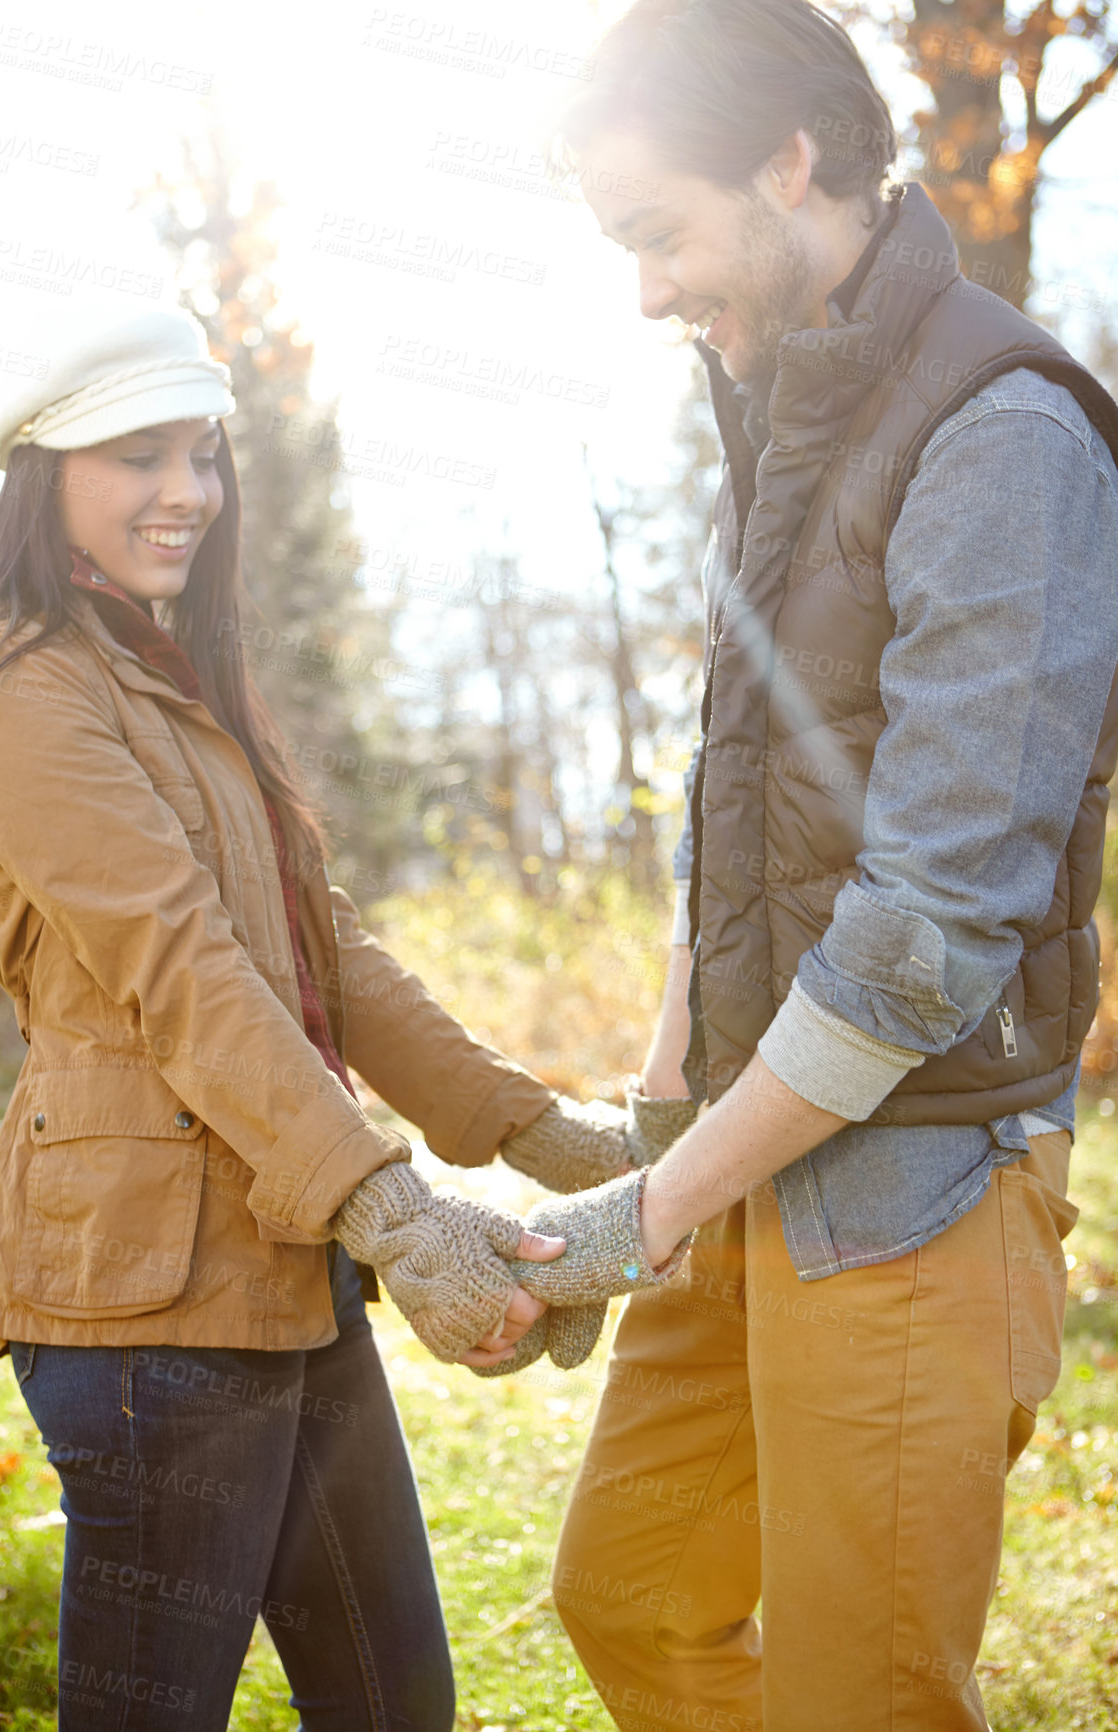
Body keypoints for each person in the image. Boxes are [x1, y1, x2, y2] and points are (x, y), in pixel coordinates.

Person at [487, 4, 1118, 1729]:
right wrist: (662, 1124)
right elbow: (735, 811)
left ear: (788, 164)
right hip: (745, 1160)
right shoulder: (779, 419)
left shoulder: (1003, 435)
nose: (645, 293)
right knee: (629, 1599)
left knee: (867, 1697)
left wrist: (645, 1214)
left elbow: (924, 929)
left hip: (912, 1182)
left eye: (656, 236)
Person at [0, 301, 691, 1731]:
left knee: (391, 1706)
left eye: (202, 453)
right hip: (146, 1305)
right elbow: (178, 964)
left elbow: (321, 945)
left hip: (288, 1262)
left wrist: (540, 1135)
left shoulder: (172, 675)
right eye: (137, 456)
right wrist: (398, 1213)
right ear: (51, 471)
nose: (185, 491)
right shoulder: (11, 688)